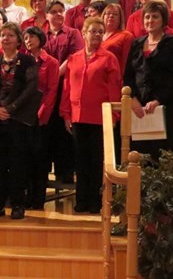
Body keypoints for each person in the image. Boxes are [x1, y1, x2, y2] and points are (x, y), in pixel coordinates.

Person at [60, 17, 122, 214]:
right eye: (92, 30)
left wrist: (113, 117)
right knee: (80, 160)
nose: (96, 34)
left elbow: (114, 89)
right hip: (77, 117)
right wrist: (66, 114)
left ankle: (95, 201)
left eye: (99, 31)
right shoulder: (74, 58)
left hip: (99, 117)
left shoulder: (109, 58)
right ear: (84, 33)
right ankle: (81, 200)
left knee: (95, 161)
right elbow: (67, 88)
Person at [0, 22, 40, 220]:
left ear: (18, 40)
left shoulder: (28, 62)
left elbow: (30, 89)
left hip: (18, 120)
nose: (6, 38)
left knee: (17, 163)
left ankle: (17, 204)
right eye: (3, 35)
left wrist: (11, 109)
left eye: (10, 35)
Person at [124, 0, 173, 159]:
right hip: (139, 108)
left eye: (155, 17)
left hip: (165, 107)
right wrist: (133, 99)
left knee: (161, 155)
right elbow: (129, 75)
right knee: (138, 155)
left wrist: (158, 100)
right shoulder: (136, 43)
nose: (150, 20)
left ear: (164, 20)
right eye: (147, 17)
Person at [44, 0, 84, 185]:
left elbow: (75, 56)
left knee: (64, 131)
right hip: (44, 90)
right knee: (46, 130)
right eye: (54, 11)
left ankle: (65, 173)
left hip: (65, 86)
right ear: (47, 15)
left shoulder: (73, 33)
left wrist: (55, 73)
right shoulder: (41, 35)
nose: (58, 14)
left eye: (61, 11)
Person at [23, 26, 59, 209]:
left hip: (42, 116)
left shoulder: (51, 62)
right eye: (26, 38)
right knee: (26, 158)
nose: (28, 41)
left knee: (41, 158)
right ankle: (26, 196)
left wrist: (41, 113)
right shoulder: (23, 61)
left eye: (32, 37)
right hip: (24, 115)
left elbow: (52, 90)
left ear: (40, 38)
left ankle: (38, 199)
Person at [101, 3, 134, 74]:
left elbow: (126, 62)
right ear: (103, 16)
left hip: (115, 77)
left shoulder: (126, 36)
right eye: (108, 13)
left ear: (120, 19)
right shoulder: (97, 35)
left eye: (115, 14)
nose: (111, 16)